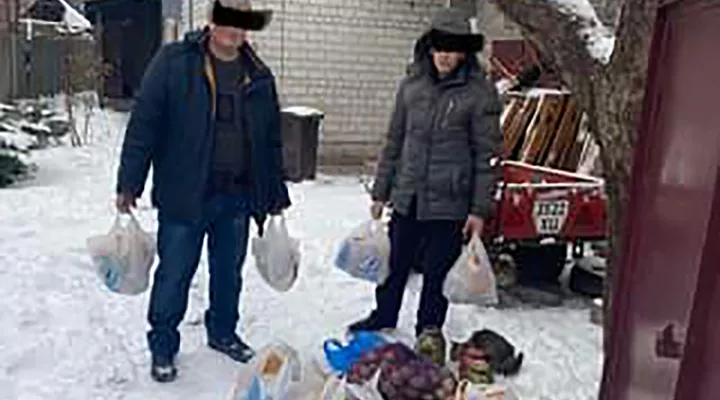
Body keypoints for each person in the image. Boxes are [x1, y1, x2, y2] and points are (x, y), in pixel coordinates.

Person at [115, 0, 290, 383]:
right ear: (211, 21)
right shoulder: (175, 62)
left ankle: (223, 332)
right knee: (174, 274)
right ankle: (163, 344)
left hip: (237, 196)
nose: (235, 29)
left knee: (229, 273)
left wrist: (275, 194)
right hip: (185, 193)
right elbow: (144, 123)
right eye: (228, 20)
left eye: (242, 22)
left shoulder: (258, 74)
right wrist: (130, 182)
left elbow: (270, 141)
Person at [349, 8, 503, 346]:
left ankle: (429, 331)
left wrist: (478, 210)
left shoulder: (479, 94)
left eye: (453, 47)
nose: (445, 55)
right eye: (440, 46)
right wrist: (381, 192)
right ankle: (384, 315)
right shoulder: (412, 86)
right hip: (408, 195)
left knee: (436, 275)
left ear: (464, 50)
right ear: (429, 46)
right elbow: (394, 141)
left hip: (449, 203)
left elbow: (487, 157)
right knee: (393, 265)